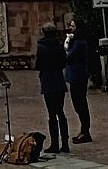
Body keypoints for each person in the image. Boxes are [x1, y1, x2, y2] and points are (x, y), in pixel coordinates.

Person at [35, 22, 68, 154]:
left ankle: (55, 144)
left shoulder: (41, 47)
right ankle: (65, 144)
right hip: (59, 81)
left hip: (48, 81)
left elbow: (38, 64)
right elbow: (63, 62)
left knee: (52, 114)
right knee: (61, 112)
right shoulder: (59, 45)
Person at [65, 19, 92, 144]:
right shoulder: (78, 41)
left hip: (78, 76)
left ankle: (85, 131)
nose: (71, 28)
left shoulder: (79, 42)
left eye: (73, 26)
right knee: (79, 104)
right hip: (76, 75)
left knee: (80, 104)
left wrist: (67, 44)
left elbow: (69, 55)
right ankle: (83, 130)